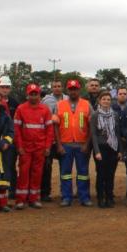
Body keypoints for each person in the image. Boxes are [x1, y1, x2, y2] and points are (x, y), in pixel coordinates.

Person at [13, 84, 54, 210]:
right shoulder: (20, 109)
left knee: (37, 173)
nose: (34, 96)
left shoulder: (45, 109)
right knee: (24, 173)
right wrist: (19, 146)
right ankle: (20, 199)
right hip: (25, 147)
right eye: (31, 94)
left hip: (40, 147)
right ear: (27, 95)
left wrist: (47, 147)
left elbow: (49, 130)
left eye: (36, 94)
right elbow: (17, 130)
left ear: (39, 95)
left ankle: (34, 198)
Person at [55, 79, 93, 207]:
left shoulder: (87, 104)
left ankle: (84, 197)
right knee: (65, 173)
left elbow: (92, 126)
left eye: (75, 89)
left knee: (83, 173)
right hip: (65, 145)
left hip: (82, 145)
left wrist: (87, 144)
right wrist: (59, 144)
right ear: (67, 90)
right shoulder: (59, 104)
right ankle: (66, 197)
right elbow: (55, 125)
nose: (73, 91)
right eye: (71, 89)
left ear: (79, 89)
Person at [91, 91, 122, 208]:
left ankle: (109, 197)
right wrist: (97, 151)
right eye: (104, 99)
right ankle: (100, 198)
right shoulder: (95, 115)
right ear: (99, 101)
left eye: (108, 99)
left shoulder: (115, 115)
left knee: (110, 174)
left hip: (113, 147)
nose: (106, 101)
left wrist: (120, 150)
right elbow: (93, 134)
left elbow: (117, 133)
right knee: (101, 174)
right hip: (101, 148)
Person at [40, 79, 66, 202]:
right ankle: (45, 192)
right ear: (51, 88)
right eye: (54, 86)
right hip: (49, 138)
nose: (57, 88)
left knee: (64, 167)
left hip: (64, 137)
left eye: (59, 86)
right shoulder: (46, 100)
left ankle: (65, 192)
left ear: (62, 87)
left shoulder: (67, 99)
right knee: (47, 166)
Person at [0, 75, 18, 204]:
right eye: (3, 87)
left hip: (11, 140)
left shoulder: (15, 103)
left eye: (7, 87)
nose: (5, 89)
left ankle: (12, 190)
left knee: (10, 166)